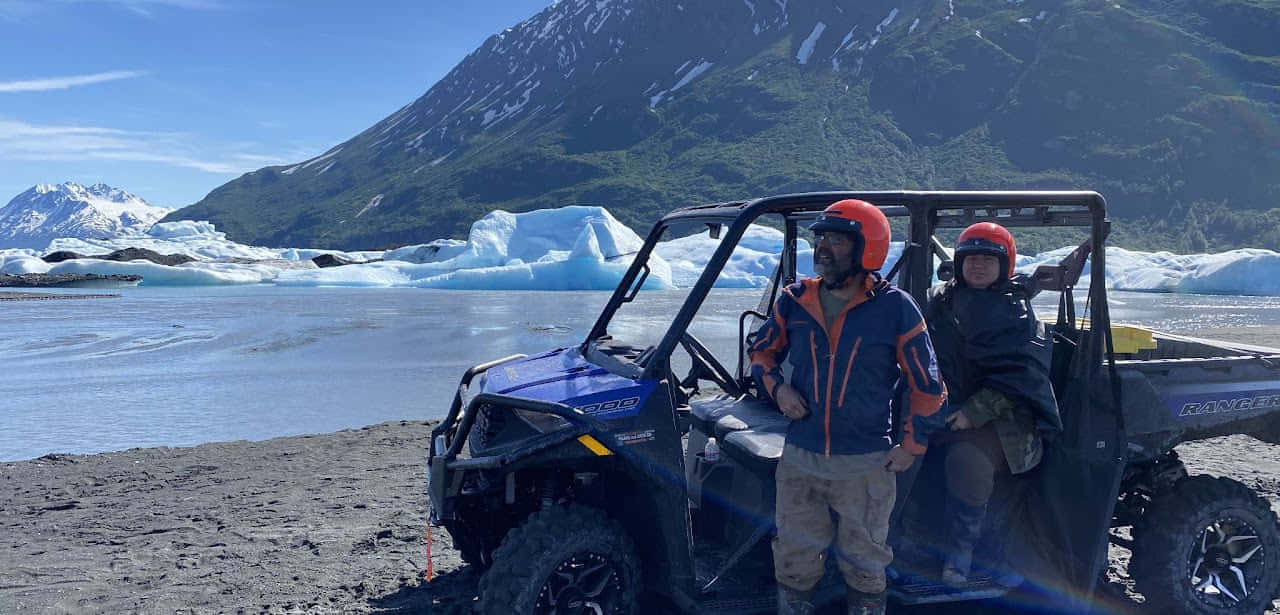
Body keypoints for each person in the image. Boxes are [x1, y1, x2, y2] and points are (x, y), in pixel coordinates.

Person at [749, 199, 948, 615]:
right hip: (801, 457)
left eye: (837, 240)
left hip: (864, 463)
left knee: (865, 563)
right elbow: (762, 354)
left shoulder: (896, 308)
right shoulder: (795, 299)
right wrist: (779, 391)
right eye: (821, 238)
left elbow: (928, 387)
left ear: (866, 248)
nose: (823, 247)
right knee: (793, 562)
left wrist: (911, 446)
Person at [923, 222, 1062, 585]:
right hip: (943, 406)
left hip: (1008, 420)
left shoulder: (1015, 315)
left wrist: (973, 412)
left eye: (989, 259)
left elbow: (1020, 378)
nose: (978, 266)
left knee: (967, 462)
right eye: (971, 258)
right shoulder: (942, 302)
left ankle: (961, 555)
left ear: (1005, 265)